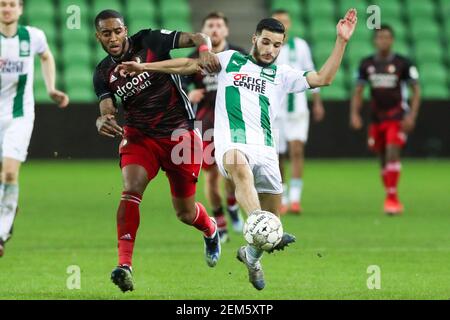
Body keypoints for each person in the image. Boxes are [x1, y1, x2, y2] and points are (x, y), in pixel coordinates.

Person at [117, 9, 358, 290]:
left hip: (266, 151)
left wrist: (342, 41)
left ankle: (251, 256)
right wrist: (146, 67)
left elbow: (323, 79)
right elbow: (187, 65)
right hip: (231, 144)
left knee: (272, 224)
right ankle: (257, 223)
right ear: (255, 38)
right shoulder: (231, 60)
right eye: (266, 42)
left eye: (277, 45)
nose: (270, 50)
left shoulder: (283, 74)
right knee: (242, 175)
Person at [92, 9, 222, 293]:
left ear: (125, 30)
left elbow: (199, 37)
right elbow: (106, 108)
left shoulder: (151, 41)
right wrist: (103, 120)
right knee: (131, 188)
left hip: (180, 133)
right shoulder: (103, 72)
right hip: (140, 136)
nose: (113, 38)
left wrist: (204, 50)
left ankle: (210, 229)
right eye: (106, 33)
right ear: (98, 36)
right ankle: (124, 265)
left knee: (185, 213)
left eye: (117, 31)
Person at [0, 0, 69, 257]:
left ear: (20, 9)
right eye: (2, 4)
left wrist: (51, 88)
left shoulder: (33, 36)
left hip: (19, 116)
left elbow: (46, 55)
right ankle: (8, 207)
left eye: (11, 4)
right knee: (2, 179)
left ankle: (2, 233)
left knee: (9, 174)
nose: (6, 8)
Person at [183, 12, 246, 243]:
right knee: (210, 176)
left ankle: (231, 205)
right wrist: (188, 93)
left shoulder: (239, 56)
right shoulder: (193, 58)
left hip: (233, 122)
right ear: (204, 31)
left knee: (233, 172)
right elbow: (179, 85)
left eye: (219, 25)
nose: (215, 29)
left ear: (226, 31)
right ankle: (220, 222)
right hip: (206, 123)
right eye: (211, 25)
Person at [350, 25, 420, 215]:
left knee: (392, 152)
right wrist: (355, 114)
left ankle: (392, 198)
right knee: (381, 156)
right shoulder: (366, 64)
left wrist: (411, 115)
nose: (384, 41)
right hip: (376, 118)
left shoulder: (403, 63)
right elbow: (358, 91)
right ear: (375, 40)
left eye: (387, 37)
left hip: (397, 116)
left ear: (392, 40)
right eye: (380, 37)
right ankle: (390, 194)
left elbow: (416, 90)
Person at [271, 9, 325, 214]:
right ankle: (282, 197)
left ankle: (295, 198)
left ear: (290, 24)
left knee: (297, 149)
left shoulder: (300, 46)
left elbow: (312, 72)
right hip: (275, 109)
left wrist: (317, 102)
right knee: (277, 155)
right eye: (278, 21)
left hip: (298, 107)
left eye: (285, 21)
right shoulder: (268, 47)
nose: (282, 24)